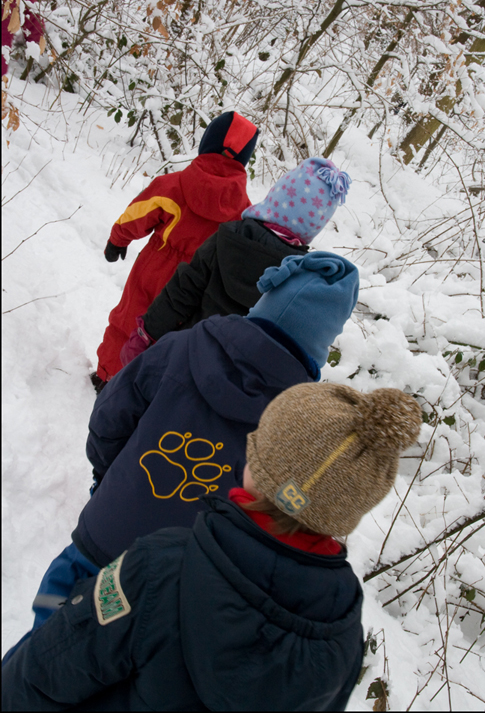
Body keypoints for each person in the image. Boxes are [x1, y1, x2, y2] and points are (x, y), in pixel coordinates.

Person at [2, 250, 359, 663]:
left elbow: (110, 416)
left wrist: (108, 474)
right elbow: (276, 517)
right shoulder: (297, 420)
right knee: (108, 663)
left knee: (45, 632)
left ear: (263, 303)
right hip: (171, 582)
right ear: (322, 342)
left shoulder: (184, 346)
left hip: (101, 535)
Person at [1, 381, 422, 711]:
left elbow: (47, 669)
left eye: (258, 448)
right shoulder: (343, 634)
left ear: (262, 470)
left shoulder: (161, 567)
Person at [120, 156, 352, 367]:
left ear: (275, 196)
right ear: (315, 226)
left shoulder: (228, 236)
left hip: (183, 353)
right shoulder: (298, 277)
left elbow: (182, 290)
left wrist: (146, 334)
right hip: (230, 382)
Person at [91, 110, 259, 392]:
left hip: (155, 269)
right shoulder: (244, 210)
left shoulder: (174, 184)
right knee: (169, 336)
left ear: (207, 143)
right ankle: (149, 391)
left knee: (129, 322)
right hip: (194, 286)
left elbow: (139, 213)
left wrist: (118, 239)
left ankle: (108, 375)